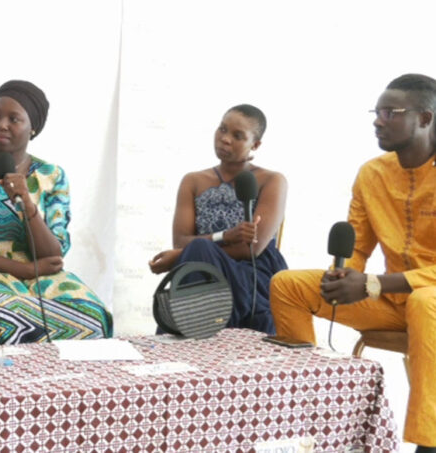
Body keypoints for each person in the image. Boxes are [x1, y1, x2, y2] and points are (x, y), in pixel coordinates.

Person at [269, 74, 436, 451]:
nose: (378, 121)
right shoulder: (372, 173)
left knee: (426, 301)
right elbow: (357, 245)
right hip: (394, 302)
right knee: (288, 285)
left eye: (391, 113)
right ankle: (306, 414)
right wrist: (345, 274)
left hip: (426, 302)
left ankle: (429, 442)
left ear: (425, 118)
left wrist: (374, 284)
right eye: (376, 112)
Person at [0, 79, 113, 349]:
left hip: (41, 278)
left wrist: (28, 206)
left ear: (33, 128)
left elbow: (54, 254)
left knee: (94, 318)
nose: (1, 124)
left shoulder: (52, 176)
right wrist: (24, 269)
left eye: (13, 119)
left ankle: (56, 378)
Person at [149, 104, 287, 334]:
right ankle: (201, 331)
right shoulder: (193, 181)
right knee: (198, 253)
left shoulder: (271, 180)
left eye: (237, 136)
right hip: (202, 270)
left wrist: (182, 256)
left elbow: (252, 248)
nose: (225, 139)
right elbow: (181, 241)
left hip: (253, 274)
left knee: (197, 252)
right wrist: (224, 236)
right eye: (222, 129)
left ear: (255, 144)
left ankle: (189, 335)